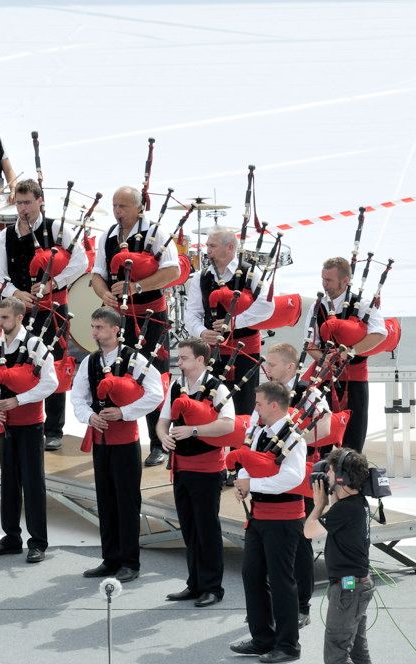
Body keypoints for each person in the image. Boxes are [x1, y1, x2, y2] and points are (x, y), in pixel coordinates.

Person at [0, 178, 87, 451]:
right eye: (18, 203)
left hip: (52, 308)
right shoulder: (6, 235)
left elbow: (81, 261)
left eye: (27, 202)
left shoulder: (56, 228)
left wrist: (55, 283)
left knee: (52, 364)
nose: (23, 208)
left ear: (40, 200)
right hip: (19, 309)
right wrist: (16, 292)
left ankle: (54, 429)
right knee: (18, 364)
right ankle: (20, 421)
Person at [90, 186, 180, 467]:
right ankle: (118, 436)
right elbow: (97, 275)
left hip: (151, 316)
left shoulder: (156, 234)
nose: (118, 212)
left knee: (152, 375)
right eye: (115, 206)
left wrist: (138, 286)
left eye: (124, 206)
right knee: (116, 373)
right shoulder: (108, 236)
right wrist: (103, 293)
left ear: (139, 208)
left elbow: (173, 270)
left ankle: (159, 443)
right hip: (120, 317)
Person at [72, 306, 163, 582]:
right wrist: (89, 416)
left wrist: (124, 412)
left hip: (125, 442)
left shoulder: (135, 359)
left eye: (100, 327)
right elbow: (78, 397)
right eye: (93, 326)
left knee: (126, 502)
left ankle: (130, 562)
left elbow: (156, 394)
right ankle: (109, 558)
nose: (95, 332)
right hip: (101, 440)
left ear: (115, 329)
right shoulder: (90, 362)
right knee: (105, 500)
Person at [231, 381, 307, 663]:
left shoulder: (294, 438)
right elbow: (247, 458)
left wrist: (252, 484)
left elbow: (292, 478)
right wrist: (242, 480)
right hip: (259, 516)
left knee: (281, 580)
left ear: (274, 405)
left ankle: (288, 645)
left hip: (284, 519)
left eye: (259, 403)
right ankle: (262, 638)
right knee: (251, 574)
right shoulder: (261, 430)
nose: (256, 408)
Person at [156, 338, 235, 607]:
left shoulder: (217, 388)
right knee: (189, 528)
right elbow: (163, 420)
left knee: (207, 529)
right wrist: (163, 438)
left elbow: (228, 425)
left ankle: (213, 587)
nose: (179, 363)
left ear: (200, 360)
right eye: (179, 358)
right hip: (182, 467)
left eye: (184, 358)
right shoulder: (177, 386)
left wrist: (194, 430)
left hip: (207, 468)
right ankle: (195, 583)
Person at [0, 296, 58, 563]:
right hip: (6, 424)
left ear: (18, 318)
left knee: (33, 483)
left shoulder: (36, 345)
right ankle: (11, 537)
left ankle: (38, 542)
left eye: (4, 317)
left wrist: (18, 400)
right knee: (9, 483)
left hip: (31, 424)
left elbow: (50, 383)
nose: (0, 322)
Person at [263, 341, 332, 627]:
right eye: (266, 363)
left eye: (273, 364)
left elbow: (325, 428)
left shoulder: (309, 392)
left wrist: (291, 444)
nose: (267, 369)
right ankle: (276, 602)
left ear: (290, 367)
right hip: (272, 472)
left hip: (302, 473)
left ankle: (302, 604)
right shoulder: (267, 392)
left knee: (301, 539)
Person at [184, 228, 274, 415]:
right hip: (212, 351)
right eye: (207, 246)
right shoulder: (201, 277)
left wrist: (234, 322)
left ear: (230, 247)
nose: (208, 250)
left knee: (243, 406)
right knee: (211, 405)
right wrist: (201, 332)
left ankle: (239, 445)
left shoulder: (251, 272)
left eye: (213, 246)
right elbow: (191, 314)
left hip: (244, 351)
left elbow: (267, 305)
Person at [309, 257, 387, 453]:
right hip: (326, 378)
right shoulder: (317, 306)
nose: (324, 285)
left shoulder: (362, 304)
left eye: (329, 280)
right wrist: (323, 358)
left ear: (345, 281)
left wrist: (351, 351)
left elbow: (379, 333)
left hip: (354, 379)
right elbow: (310, 344)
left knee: (353, 435)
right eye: (323, 279)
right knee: (323, 436)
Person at [304, 449, 375, 664]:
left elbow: (308, 531)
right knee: (357, 652)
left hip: (348, 591)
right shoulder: (358, 502)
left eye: (332, 471)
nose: (328, 475)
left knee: (336, 653)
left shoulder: (344, 510)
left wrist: (318, 505)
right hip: (356, 586)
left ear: (342, 477)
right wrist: (332, 495)